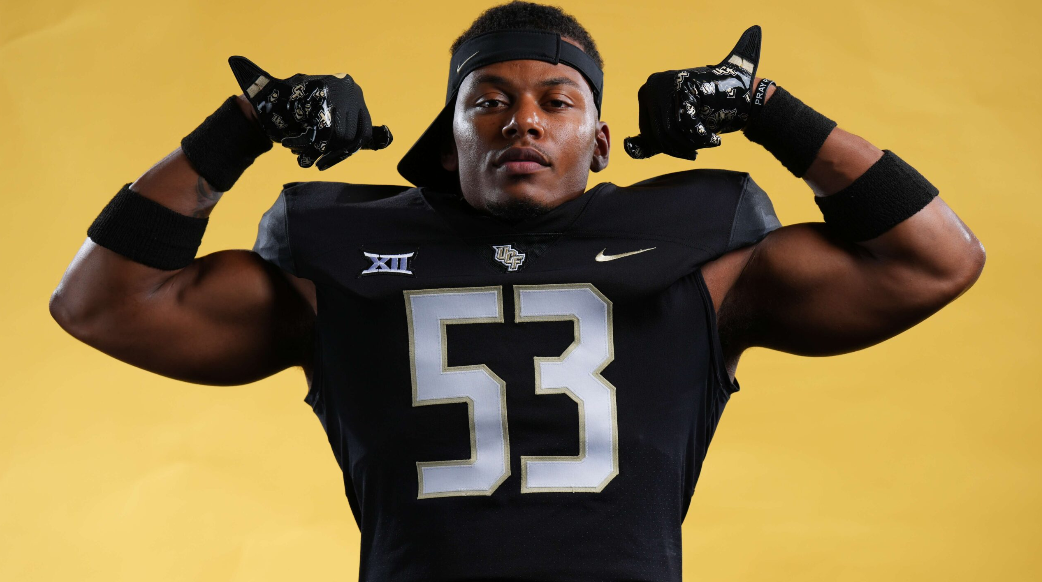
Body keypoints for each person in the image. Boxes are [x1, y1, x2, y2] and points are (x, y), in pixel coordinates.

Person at [49, 1, 985, 580]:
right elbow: (102, 303)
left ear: (603, 142)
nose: (522, 120)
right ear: (450, 138)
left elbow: (935, 259)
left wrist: (769, 108)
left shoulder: (710, 247)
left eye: (557, 100)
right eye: (487, 100)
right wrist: (241, 126)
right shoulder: (336, 248)